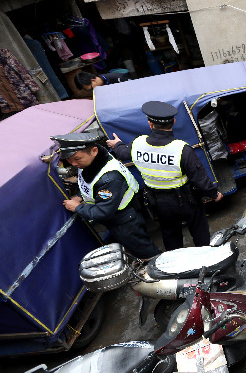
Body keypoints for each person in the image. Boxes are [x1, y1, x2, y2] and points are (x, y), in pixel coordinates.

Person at [107, 101, 223, 251]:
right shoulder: (182, 149)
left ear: (150, 124)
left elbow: (123, 153)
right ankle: (206, 258)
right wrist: (214, 194)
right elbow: (199, 178)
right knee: (199, 229)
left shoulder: (138, 143)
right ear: (173, 122)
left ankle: (175, 266)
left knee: (170, 234)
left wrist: (116, 145)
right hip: (187, 200)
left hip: (158, 203)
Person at [51, 132, 161, 260]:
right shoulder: (93, 162)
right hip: (117, 213)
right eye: (69, 160)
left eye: (77, 159)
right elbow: (89, 182)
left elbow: (102, 212)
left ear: (94, 151)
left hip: (125, 219)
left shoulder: (109, 178)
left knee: (144, 250)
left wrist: (77, 207)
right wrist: (80, 196)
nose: (73, 164)